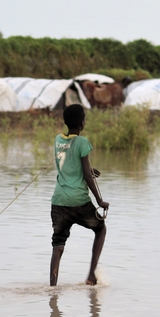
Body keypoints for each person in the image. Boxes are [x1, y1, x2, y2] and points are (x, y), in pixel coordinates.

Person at [50, 104, 109, 286]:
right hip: (79, 202)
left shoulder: (58, 140)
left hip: (59, 201)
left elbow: (68, 165)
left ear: (66, 122)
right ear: (83, 122)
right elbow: (86, 177)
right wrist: (100, 201)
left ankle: (52, 288)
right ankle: (91, 276)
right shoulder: (83, 143)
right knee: (100, 229)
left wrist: (90, 169)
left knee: (58, 244)